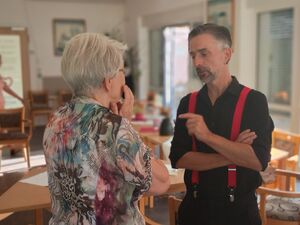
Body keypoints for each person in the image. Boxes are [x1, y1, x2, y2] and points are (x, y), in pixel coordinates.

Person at [43, 33, 170, 225]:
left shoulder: (55, 121)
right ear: (108, 81)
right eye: (121, 71)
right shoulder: (115, 127)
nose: (124, 79)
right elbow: (161, 183)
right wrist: (128, 128)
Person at [169, 23, 274, 225]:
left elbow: (257, 160)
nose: (197, 62)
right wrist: (233, 154)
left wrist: (207, 136)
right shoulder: (188, 103)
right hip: (193, 212)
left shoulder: (254, 101)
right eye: (193, 55)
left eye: (204, 54)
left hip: (239, 214)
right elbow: (179, 158)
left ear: (226, 54)